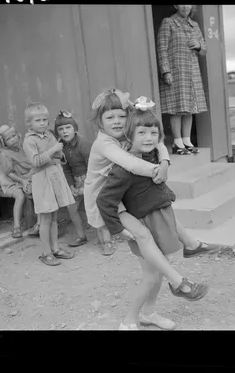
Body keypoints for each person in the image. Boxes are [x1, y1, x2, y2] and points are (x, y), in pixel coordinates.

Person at [84, 88, 221, 310]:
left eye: (121, 116)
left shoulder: (126, 135)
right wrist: (158, 170)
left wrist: (166, 161)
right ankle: (178, 282)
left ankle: (190, 243)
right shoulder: (105, 143)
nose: (117, 121)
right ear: (99, 122)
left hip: (124, 194)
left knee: (161, 208)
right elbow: (131, 164)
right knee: (142, 234)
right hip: (107, 200)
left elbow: (157, 140)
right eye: (110, 117)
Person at [97, 106, 206, 330]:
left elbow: (160, 147)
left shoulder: (151, 155)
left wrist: (164, 158)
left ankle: (149, 313)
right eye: (142, 133)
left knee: (154, 277)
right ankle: (129, 319)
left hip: (152, 218)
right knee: (150, 277)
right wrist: (117, 229)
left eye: (153, 133)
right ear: (129, 136)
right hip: (137, 223)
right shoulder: (124, 167)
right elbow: (104, 200)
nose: (149, 138)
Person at [23, 102, 75, 266]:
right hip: (42, 180)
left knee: (54, 218)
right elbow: (37, 161)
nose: (43, 123)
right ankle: (46, 253)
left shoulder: (50, 135)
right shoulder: (29, 141)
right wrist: (53, 152)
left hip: (54, 176)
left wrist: (56, 153)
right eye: (38, 120)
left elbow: (59, 156)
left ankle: (56, 248)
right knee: (44, 219)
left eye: (45, 120)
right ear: (29, 123)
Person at [157, 5, 207, 155]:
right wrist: (166, 71)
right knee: (177, 109)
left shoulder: (194, 25)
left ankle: (187, 141)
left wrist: (198, 46)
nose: (185, 6)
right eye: (182, 3)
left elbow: (204, 49)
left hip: (192, 72)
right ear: (175, 5)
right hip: (176, 71)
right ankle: (177, 143)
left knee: (190, 109)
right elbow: (161, 48)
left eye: (188, 3)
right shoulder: (168, 22)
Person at [54, 110, 92, 248]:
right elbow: (66, 169)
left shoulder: (83, 144)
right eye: (61, 129)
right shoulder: (61, 147)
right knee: (71, 207)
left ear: (74, 128)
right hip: (76, 181)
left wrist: (84, 186)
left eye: (68, 127)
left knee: (95, 207)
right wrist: (71, 186)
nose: (65, 132)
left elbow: (92, 167)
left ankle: (105, 238)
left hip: (91, 179)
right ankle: (81, 236)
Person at [0, 124, 41, 237]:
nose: (13, 140)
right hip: (12, 181)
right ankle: (16, 227)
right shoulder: (4, 153)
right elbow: (9, 173)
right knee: (21, 195)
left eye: (14, 136)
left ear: (18, 135)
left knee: (41, 187)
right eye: (8, 139)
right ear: (3, 142)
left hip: (27, 176)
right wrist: (22, 181)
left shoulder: (22, 148)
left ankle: (40, 223)